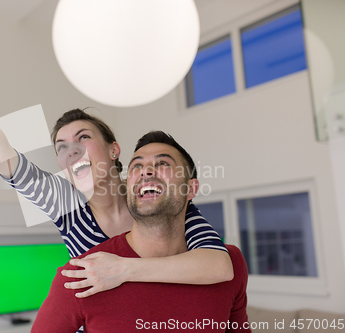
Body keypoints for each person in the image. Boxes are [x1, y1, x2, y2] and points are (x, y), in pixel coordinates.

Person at [0, 28, 233, 299]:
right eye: (61, 148)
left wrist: (123, 270)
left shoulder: (154, 199)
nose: (71, 152)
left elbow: (219, 266)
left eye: (83, 139)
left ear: (114, 150)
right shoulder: (65, 203)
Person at [32, 131, 251, 333]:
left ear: (191, 189)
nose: (146, 171)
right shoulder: (85, 274)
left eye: (163, 163)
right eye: (136, 166)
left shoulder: (231, 264)